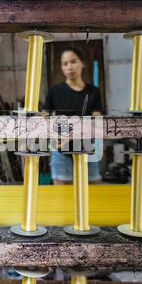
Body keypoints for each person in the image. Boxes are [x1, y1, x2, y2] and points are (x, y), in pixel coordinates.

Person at [43, 48, 103, 185]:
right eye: (64, 64)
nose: (69, 67)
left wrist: (71, 136)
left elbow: (96, 122)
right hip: (61, 152)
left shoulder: (93, 92)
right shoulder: (54, 92)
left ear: (83, 63)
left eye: (73, 61)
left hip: (87, 150)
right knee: (63, 197)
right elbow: (43, 120)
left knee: (94, 194)